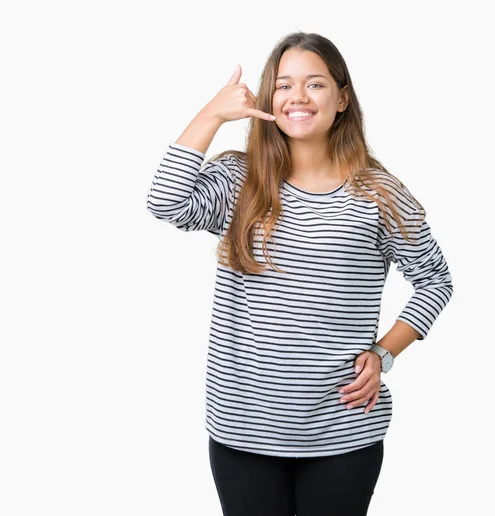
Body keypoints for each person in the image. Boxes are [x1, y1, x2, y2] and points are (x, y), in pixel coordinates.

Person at [146, 31, 453, 516]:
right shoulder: (238, 182)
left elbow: (436, 279)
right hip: (243, 427)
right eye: (284, 85)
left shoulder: (379, 194)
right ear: (268, 97)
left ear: (342, 99)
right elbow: (165, 201)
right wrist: (213, 113)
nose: (298, 98)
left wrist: (383, 353)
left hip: (343, 429)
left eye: (315, 84)